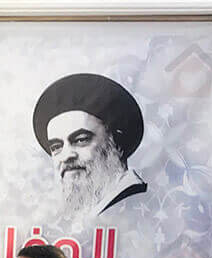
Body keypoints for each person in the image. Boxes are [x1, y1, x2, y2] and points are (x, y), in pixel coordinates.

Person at [33, 73, 147, 218]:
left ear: (116, 143)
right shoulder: (89, 214)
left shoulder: (133, 207)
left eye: (81, 140)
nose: (66, 156)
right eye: (56, 147)